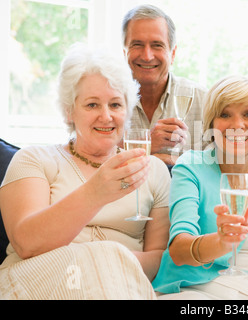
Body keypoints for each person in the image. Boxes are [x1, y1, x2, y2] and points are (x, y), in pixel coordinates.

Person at [0, 44, 171, 299]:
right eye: (92, 105)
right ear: (69, 110)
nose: (106, 116)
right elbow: (26, 243)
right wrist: (95, 193)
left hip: (121, 286)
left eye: (115, 104)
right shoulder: (34, 159)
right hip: (37, 283)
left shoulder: (152, 170)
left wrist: (110, 262)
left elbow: (161, 259)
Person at [152, 75, 248, 300]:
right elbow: (178, 250)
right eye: (224, 114)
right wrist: (222, 242)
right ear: (211, 125)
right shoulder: (192, 167)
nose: (237, 125)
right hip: (191, 294)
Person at [122, 4, 207, 166]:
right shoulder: (105, 102)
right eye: (137, 44)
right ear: (124, 52)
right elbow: (92, 159)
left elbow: (219, 167)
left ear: (172, 54)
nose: (147, 56)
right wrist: (148, 145)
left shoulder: (202, 99)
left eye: (157, 45)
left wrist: (172, 160)